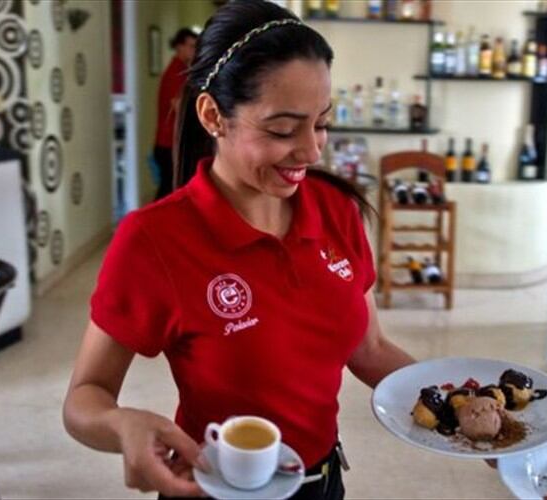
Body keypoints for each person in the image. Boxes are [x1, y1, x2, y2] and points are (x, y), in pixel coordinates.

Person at [63, 1, 416, 498]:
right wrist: (122, 425)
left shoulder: (336, 211)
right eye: (282, 129)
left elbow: (369, 348)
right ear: (213, 115)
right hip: (214, 488)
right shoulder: (154, 240)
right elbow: (84, 397)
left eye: (321, 123)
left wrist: (454, 406)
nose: (313, 150)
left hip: (322, 483)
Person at [152, 27, 197, 200]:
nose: (194, 51)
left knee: (170, 189)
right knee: (168, 191)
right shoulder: (175, 73)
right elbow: (179, 106)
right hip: (168, 143)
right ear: (179, 47)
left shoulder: (182, 71)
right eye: (191, 46)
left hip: (172, 142)